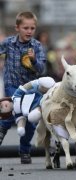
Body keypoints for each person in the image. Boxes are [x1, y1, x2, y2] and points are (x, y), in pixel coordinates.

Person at [0, 11, 46, 164]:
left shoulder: (37, 46)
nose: (29, 31)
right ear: (17, 28)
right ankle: (2, 128)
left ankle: (24, 149)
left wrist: (33, 60)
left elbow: (42, 70)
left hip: (30, 89)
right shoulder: (8, 43)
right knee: (14, 110)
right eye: (25, 28)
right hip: (12, 85)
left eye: (32, 28)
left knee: (30, 119)